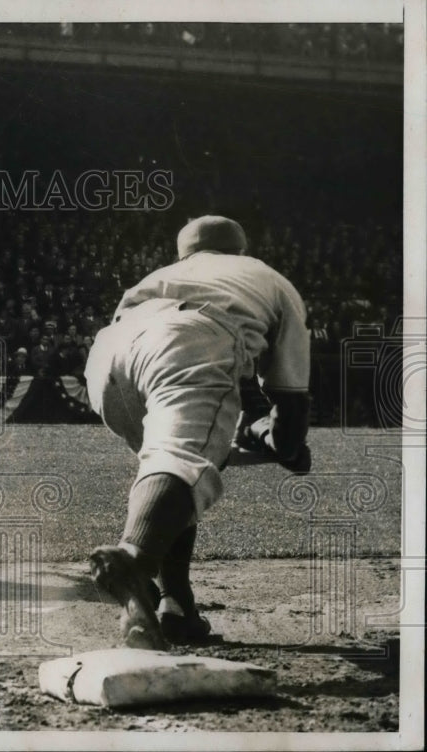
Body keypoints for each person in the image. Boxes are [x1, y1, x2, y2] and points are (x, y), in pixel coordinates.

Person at [84, 216, 312, 649]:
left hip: (106, 357)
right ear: (240, 249)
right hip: (189, 337)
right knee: (182, 464)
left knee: (172, 472)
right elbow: (291, 398)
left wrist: (252, 438)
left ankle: (177, 607)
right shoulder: (264, 276)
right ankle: (134, 561)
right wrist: (283, 444)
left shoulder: (162, 275)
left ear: (184, 254)